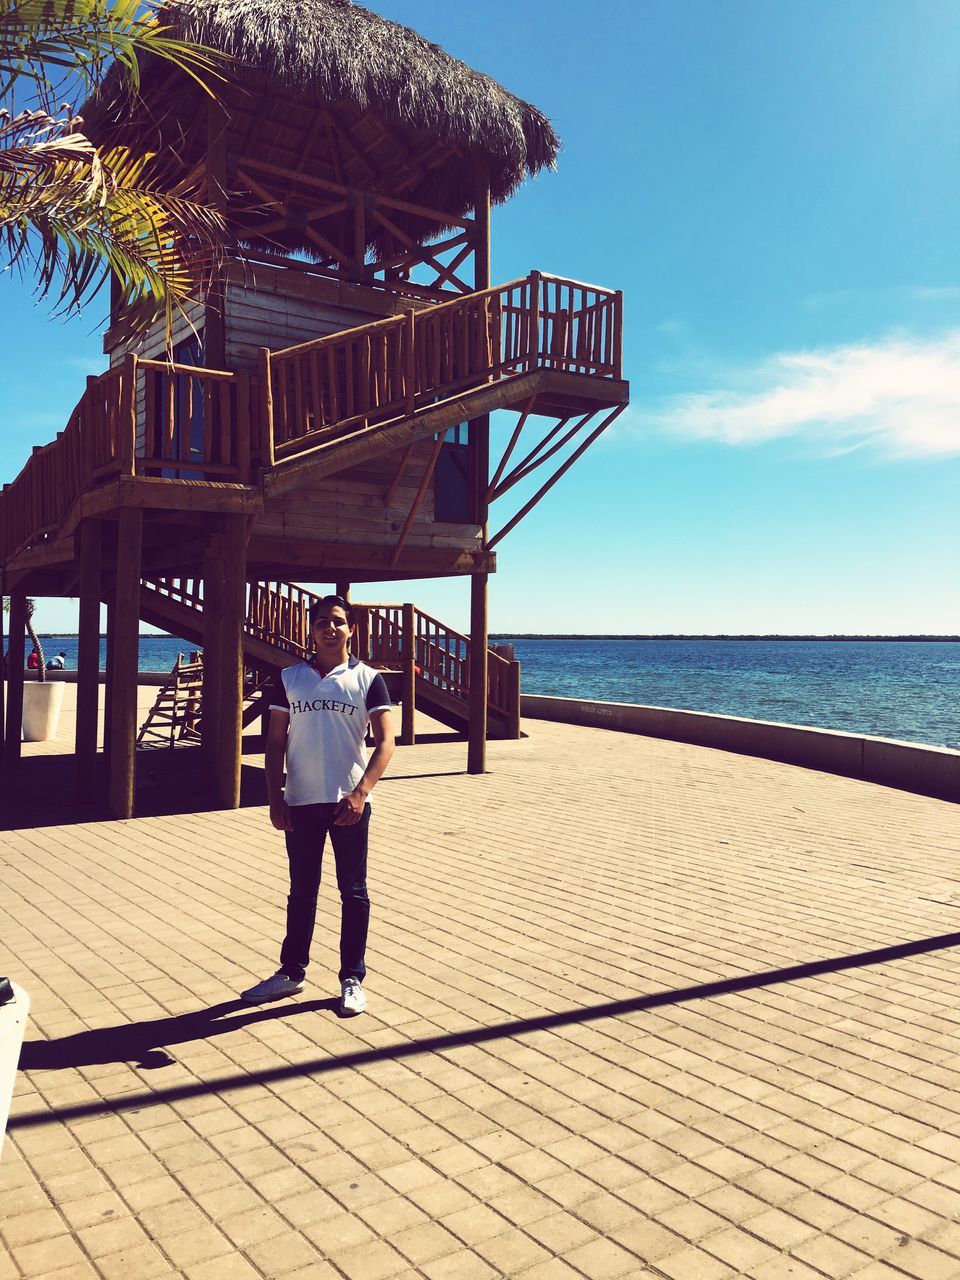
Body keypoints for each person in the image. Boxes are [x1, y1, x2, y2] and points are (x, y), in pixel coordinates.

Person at [242, 595, 395, 1015]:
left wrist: (360, 792)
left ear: (351, 630)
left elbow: (386, 743)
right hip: (301, 801)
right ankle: (291, 973)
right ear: (311, 629)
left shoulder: (368, 679)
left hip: (349, 802)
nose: (331, 629)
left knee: (354, 893)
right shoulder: (290, 678)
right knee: (302, 891)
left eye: (339, 622)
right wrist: (275, 798)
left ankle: (351, 978)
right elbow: (274, 745)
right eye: (322, 622)